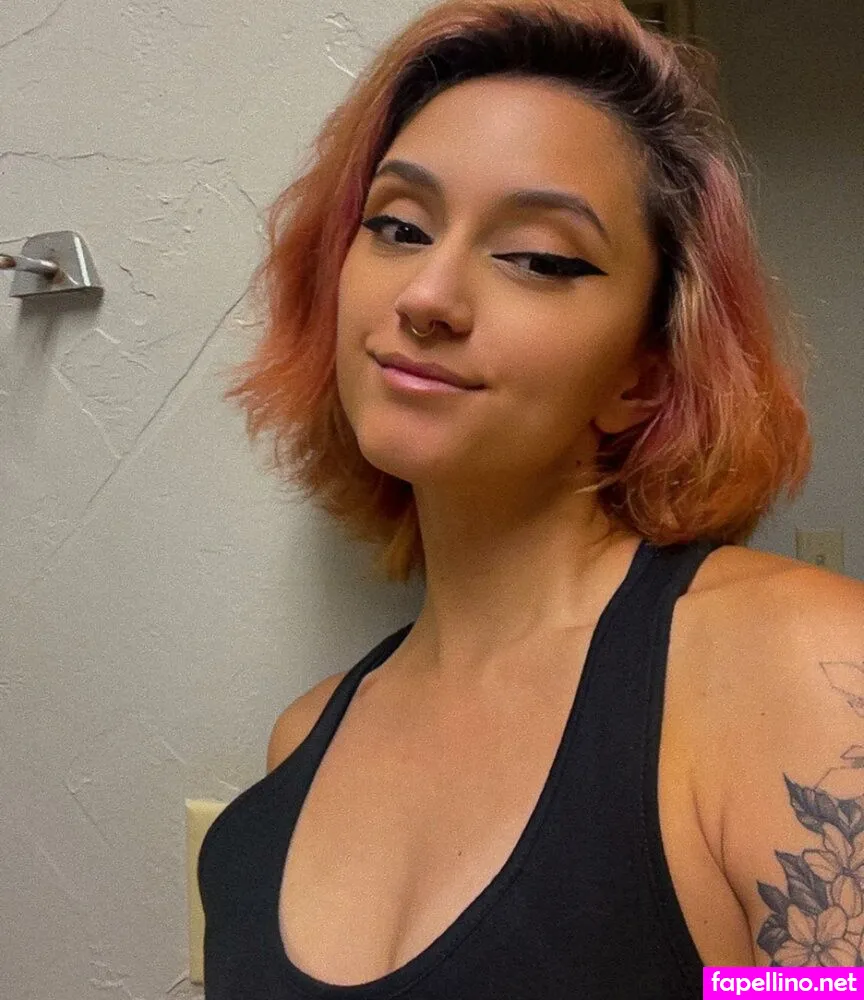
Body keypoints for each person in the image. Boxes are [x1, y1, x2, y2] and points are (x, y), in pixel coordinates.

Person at [198, 1, 864, 996]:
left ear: (641, 373)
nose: (426, 295)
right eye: (398, 226)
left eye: (540, 259)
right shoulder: (302, 743)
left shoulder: (801, 671)